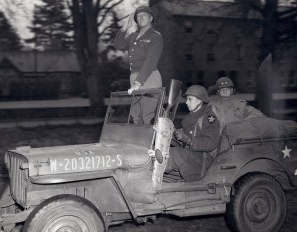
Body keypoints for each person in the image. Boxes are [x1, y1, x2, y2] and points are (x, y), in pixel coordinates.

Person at [114, 5, 163, 124]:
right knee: (136, 116)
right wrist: (124, 29)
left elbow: (151, 61)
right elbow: (118, 45)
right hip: (134, 77)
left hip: (149, 77)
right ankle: (139, 142)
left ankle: (152, 142)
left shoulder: (155, 37)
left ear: (151, 18)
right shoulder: (134, 36)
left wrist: (138, 82)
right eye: (138, 16)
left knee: (148, 117)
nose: (140, 18)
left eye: (144, 15)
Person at [166, 85, 220, 181]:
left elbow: (211, 143)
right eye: (187, 99)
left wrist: (188, 139)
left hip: (204, 159)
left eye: (190, 99)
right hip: (192, 154)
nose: (186, 102)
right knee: (165, 150)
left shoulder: (208, 118)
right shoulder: (189, 117)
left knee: (173, 154)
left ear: (200, 101)